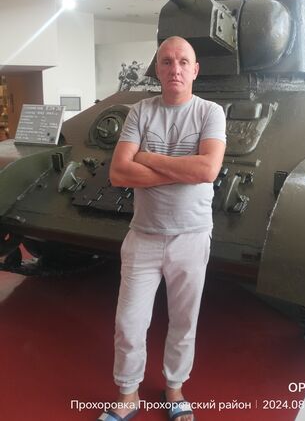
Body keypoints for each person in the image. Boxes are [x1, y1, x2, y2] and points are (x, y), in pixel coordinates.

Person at [99, 36, 226, 421]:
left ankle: (174, 388)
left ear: (195, 69)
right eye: (167, 61)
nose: (175, 69)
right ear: (157, 69)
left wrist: (148, 158)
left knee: (184, 321)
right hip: (144, 236)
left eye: (183, 62)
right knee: (129, 323)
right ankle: (128, 394)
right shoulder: (140, 111)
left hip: (191, 235)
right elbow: (119, 173)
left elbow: (208, 169)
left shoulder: (210, 113)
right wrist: (182, 170)